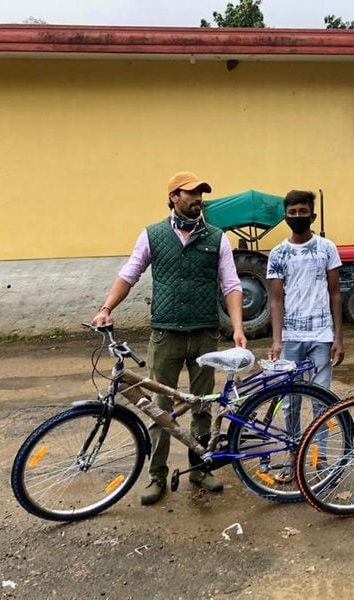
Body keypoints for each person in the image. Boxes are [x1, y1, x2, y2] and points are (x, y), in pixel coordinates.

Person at [91, 171, 247, 506]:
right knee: (159, 408)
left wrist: (237, 327)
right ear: (173, 196)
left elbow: (231, 285)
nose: (198, 199)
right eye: (191, 193)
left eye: (201, 194)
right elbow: (129, 275)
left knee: (202, 404)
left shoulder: (216, 237)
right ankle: (157, 475)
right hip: (166, 336)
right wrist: (105, 308)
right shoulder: (153, 235)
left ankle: (200, 467)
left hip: (205, 335)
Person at [266, 190, 345, 482]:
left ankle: (319, 458)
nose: (297, 216)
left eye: (303, 211)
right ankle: (292, 456)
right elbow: (276, 300)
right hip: (290, 338)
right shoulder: (277, 254)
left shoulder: (327, 248)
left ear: (312, 215)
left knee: (321, 401)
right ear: (286, 216)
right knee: (290, 402)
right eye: (292, 212)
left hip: (322, 337)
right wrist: (277, 341)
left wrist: (338, 337)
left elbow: (335, 293)